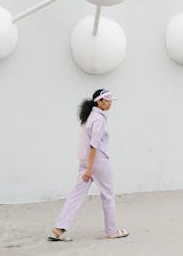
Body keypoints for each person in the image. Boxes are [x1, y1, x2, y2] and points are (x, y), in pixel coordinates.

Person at [48, 88, 129, 242]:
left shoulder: (90, 116)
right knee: (108, 195)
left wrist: (87, 167)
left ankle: (59, 227)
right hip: (97, 162)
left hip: (86, 161)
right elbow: (94, 145)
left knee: (76, 195)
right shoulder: (98, 119)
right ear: (99, 101)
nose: (110, 103)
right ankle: (112, 231)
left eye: (110, 100)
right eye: (107, 100)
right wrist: (90, 169)